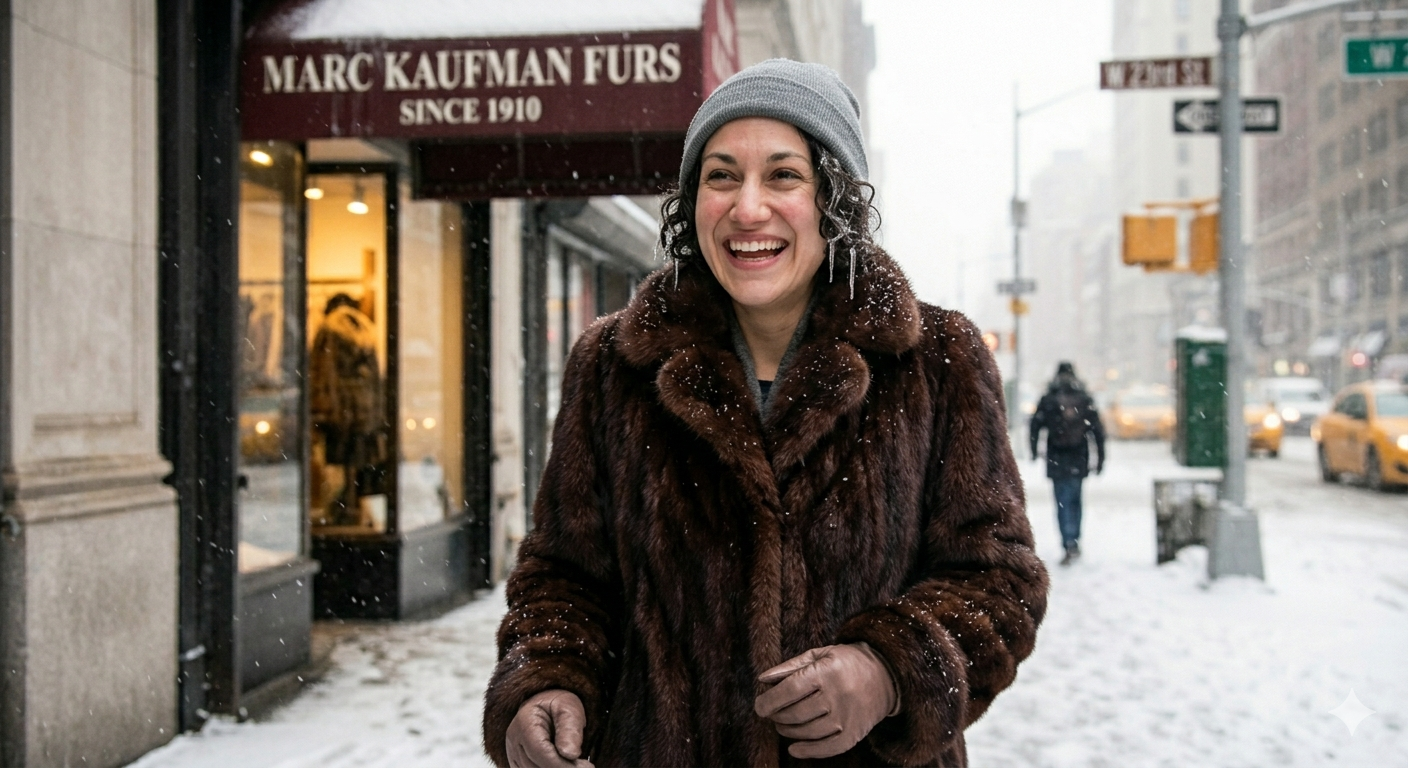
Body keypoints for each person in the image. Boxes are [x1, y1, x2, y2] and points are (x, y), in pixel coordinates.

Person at [485, 59, 1048, 768]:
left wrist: (887, 672)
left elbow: (1000, 582)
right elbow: (563, 578)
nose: (748, 208)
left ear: (833, 199)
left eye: (783, 175)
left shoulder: (937, 361)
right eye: (722, 175)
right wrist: (547, 682)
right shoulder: (611, 366)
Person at [1028, 361, 1106, 566]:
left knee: (1061, 500)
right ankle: (1074, 539)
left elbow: (1035, 425)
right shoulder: (1084, 398)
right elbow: (1097, 430)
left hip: (1057, 456)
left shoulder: (1049, 398)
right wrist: (1100, 459)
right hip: (1079, 456)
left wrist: (1034, 450)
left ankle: (1067, 541)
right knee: (1076, 500)